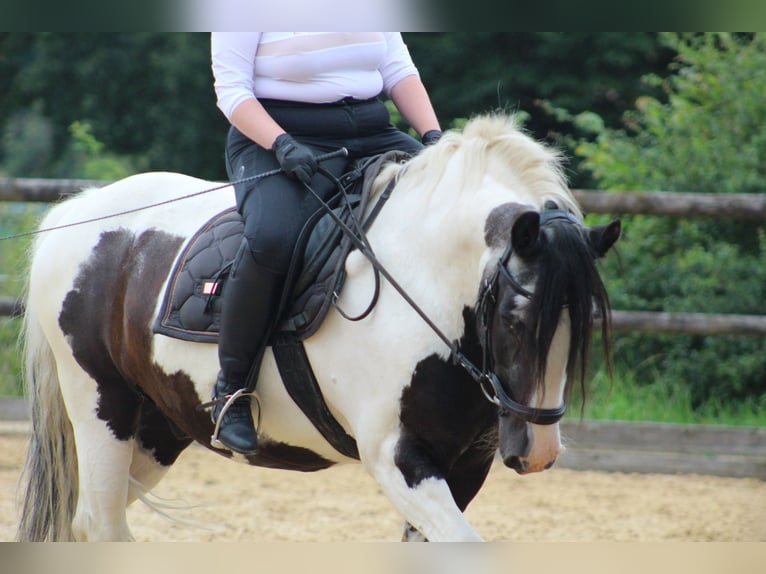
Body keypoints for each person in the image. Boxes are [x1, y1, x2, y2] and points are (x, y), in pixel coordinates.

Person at [210, 32, 442, 454]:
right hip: (279, 137)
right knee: (273, 240)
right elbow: (231, 90)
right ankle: (231, 393)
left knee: (450, 209)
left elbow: (397, 69)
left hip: (372, 131)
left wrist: (433, 138)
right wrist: (280, 143)